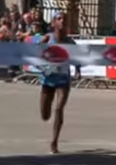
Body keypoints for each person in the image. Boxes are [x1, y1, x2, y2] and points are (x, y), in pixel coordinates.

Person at [38, 10, 80, 154]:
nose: (62, 21)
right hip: (48, 77)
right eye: (59, 18)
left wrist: (78, 69)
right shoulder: (47, 38)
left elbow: (78, 57)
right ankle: (46, 114)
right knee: (45, 115)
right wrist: (41, 66)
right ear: (53, 22)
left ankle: (54, 142)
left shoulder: (70, 42)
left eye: (64, 19)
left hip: (63, 78)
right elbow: (36, 52)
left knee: (59, 109)